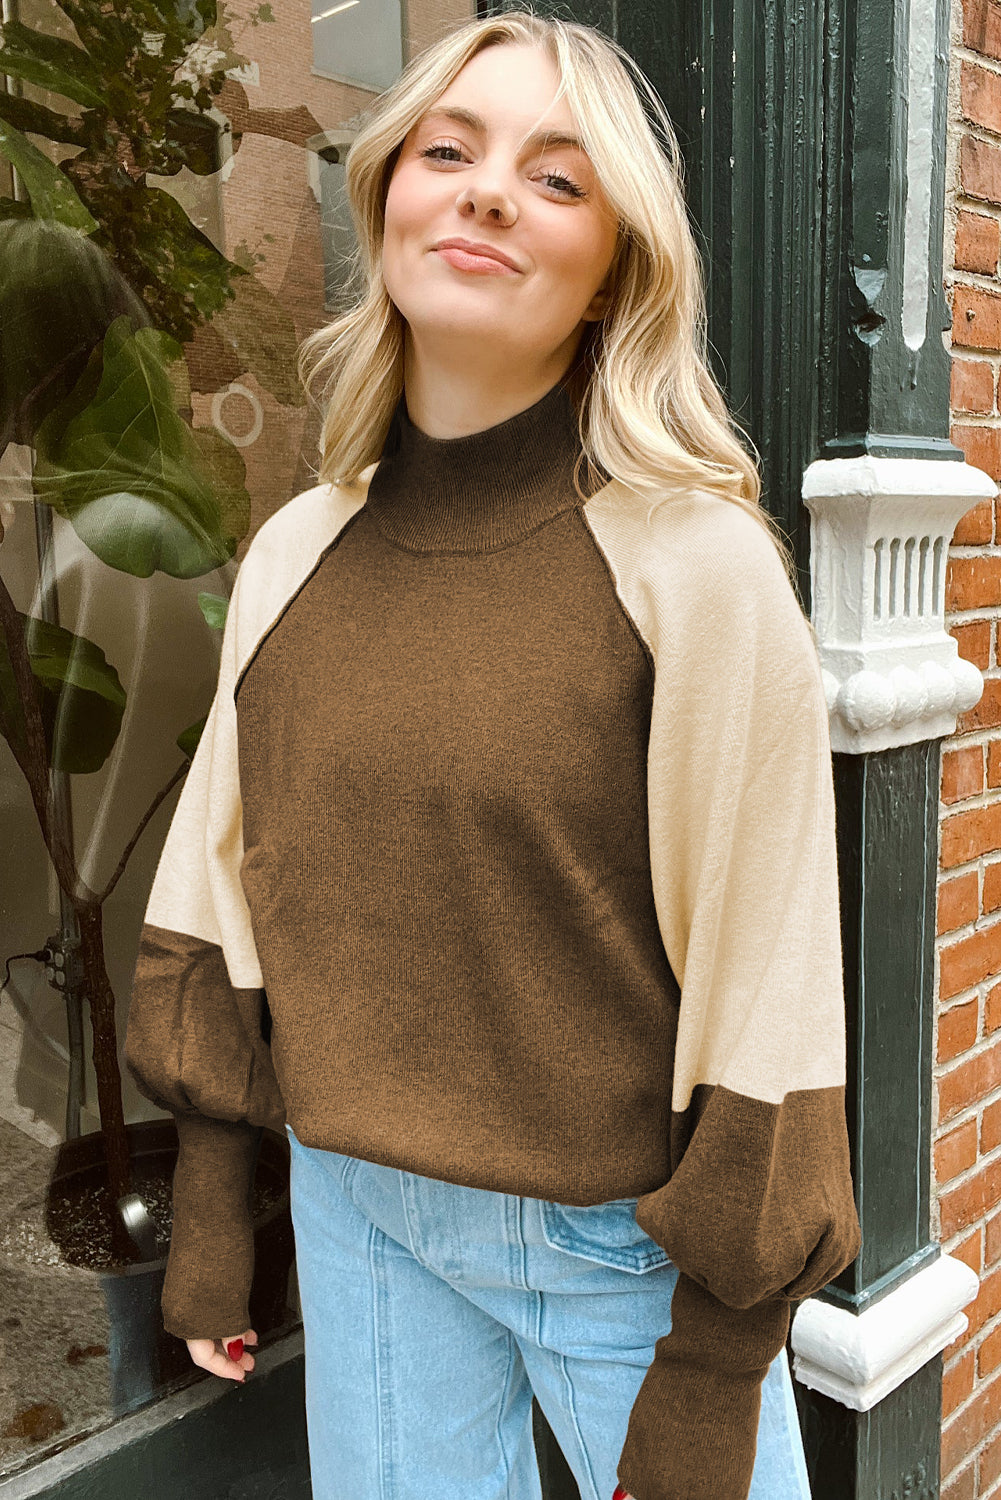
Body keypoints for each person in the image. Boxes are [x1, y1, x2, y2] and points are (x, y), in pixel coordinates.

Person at [123, 9, 862, 1500]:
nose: (486, 193)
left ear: (616, 266)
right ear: (387, 194)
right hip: (355, 1208)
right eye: (448, 150)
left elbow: (767, 978)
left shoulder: (698, 568)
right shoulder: (296, 552)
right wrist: (215, 1205)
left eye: (557, 177)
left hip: (614, 1247)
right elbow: (220, 875)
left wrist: (718, 1366)